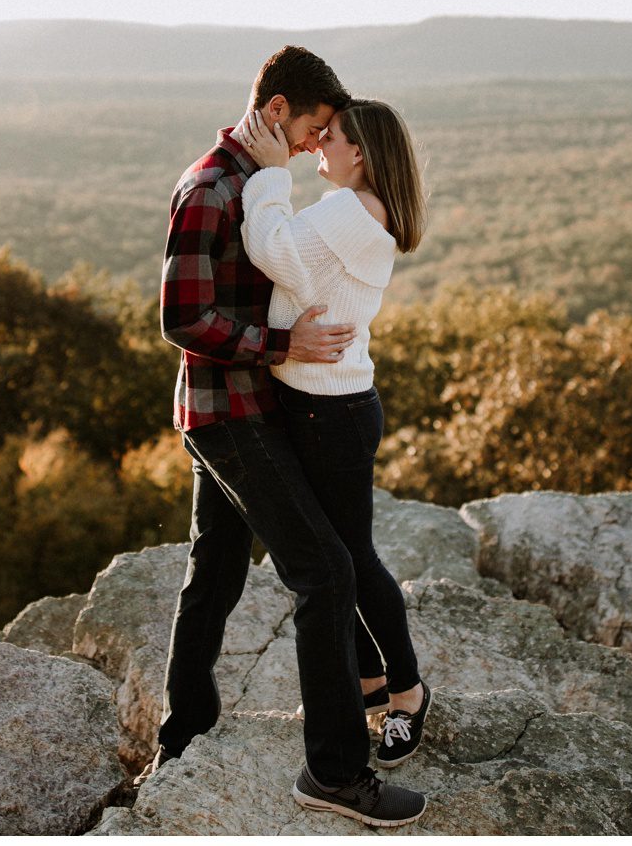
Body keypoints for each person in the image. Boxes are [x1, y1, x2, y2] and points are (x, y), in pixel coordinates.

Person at [156, 46, 428, 829]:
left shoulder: (254, 184)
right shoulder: (213, 185)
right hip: (228, 412)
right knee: (327, 573)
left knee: (214, 574)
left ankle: (183, 739)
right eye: (312, 128)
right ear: (278, 111)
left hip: (261, 407)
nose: (316, 146)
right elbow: (181, 319)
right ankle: (336, 772)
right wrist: (279, 349)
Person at [232, 98, 434, 770]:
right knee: (336, 553)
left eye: (334, 137)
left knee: (350, 558)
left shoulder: (352, 209)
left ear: (362, 154)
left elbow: (274, 251)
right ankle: (371, 677)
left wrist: (269, 174)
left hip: (333, 413)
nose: (319, 144)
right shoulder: (363, 208)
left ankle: (406, 693)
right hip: (328, 406)